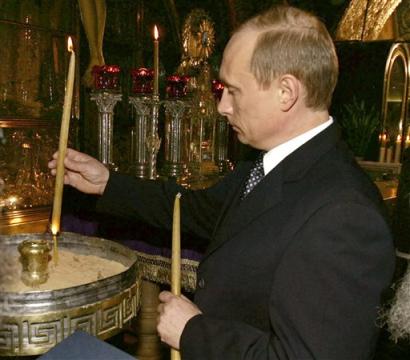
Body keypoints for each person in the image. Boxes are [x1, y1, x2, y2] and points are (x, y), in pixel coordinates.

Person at [49, 5, 395, 359]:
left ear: (286, 93)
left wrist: (193, 332)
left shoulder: (346, 216)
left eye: (233, 91)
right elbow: (190, 208)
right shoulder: (268, 166)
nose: (222, 107)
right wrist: (108, 182)